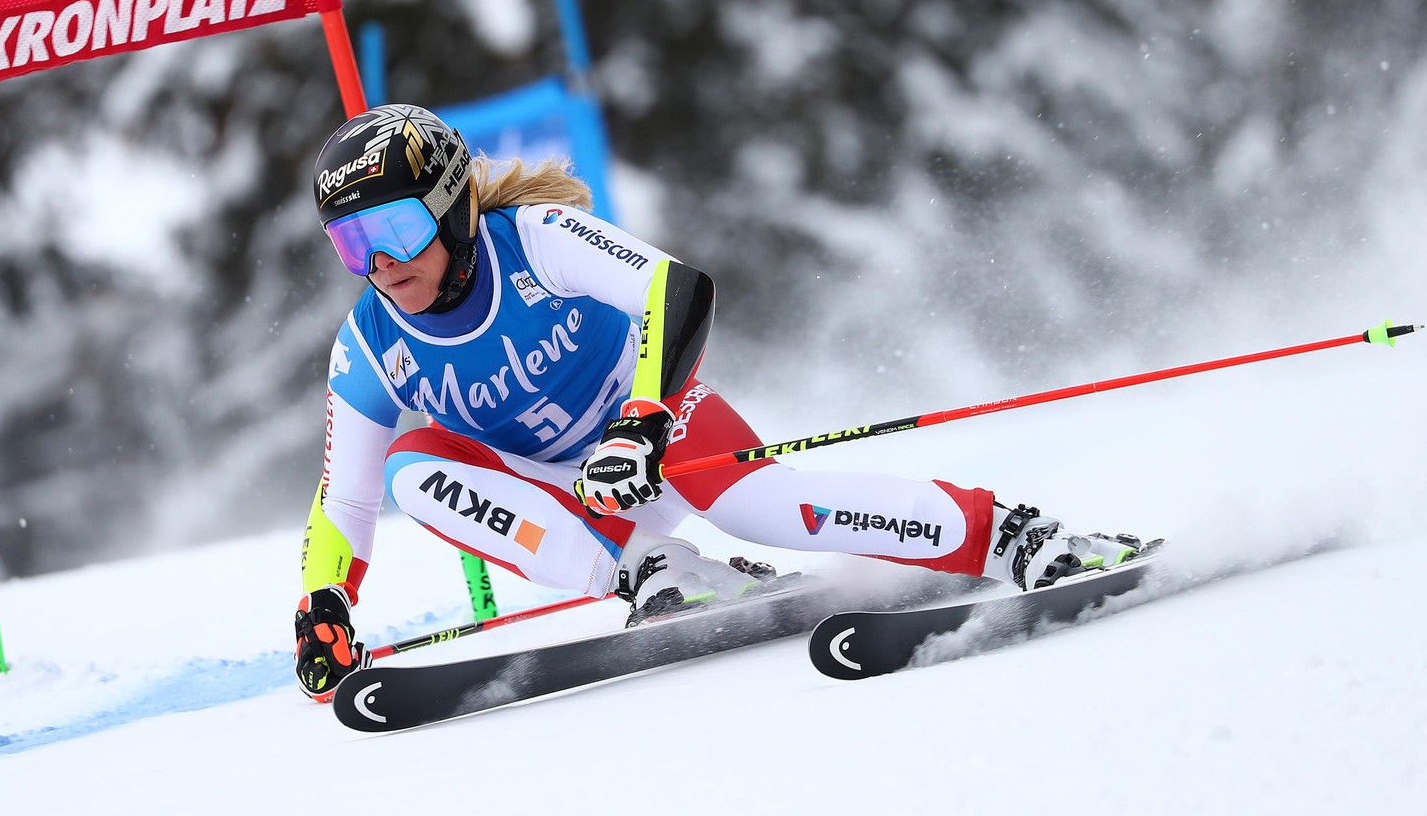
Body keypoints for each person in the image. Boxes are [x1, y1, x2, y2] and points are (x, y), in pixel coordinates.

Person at [292, 103, 1144, 701]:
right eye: (350, 242)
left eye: (394, 230)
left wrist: (642, 418)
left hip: (656, 433)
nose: (380, 263)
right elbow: (349, 494)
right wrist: (324, 604)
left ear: (450, 209)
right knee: (412, 470)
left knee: (773, 509)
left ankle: (1017, 535)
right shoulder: (370, 342)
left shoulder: (536, 242)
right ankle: (654, 571)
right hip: (572, 504)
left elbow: (678, 289)